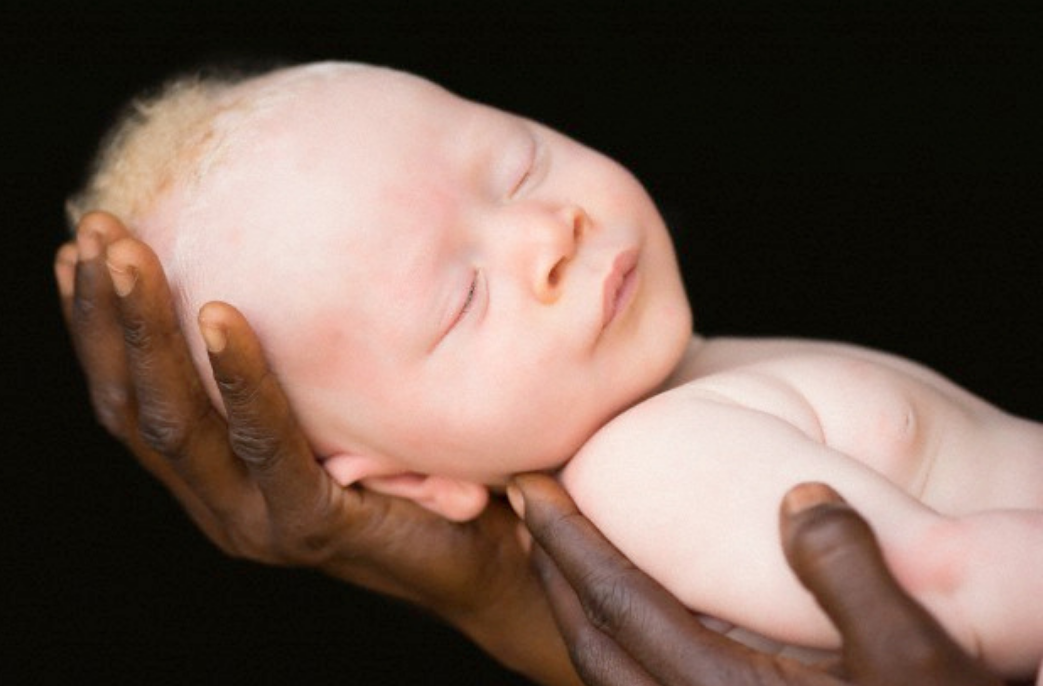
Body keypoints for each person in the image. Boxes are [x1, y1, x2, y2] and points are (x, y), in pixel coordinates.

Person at [63, 61, 1042, 678]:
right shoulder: (654, 467)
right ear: (410, 482)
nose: (549, 231)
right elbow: (950, 596)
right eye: (461, 299)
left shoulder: (704, 388)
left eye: (516, 163)